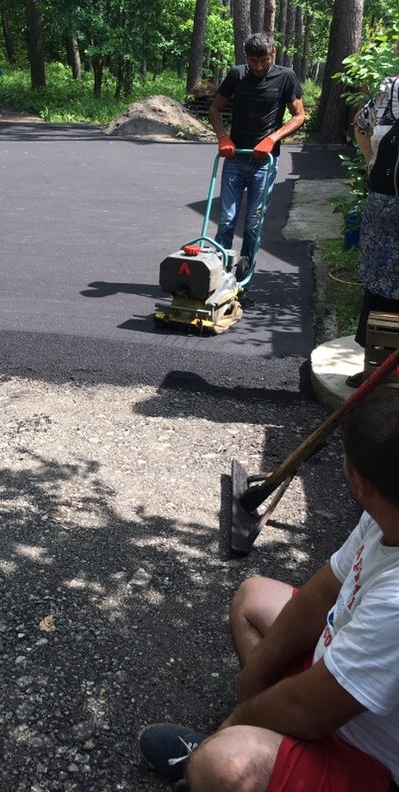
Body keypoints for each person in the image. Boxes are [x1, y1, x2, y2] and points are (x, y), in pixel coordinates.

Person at [138, 395, 399, 792]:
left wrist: (237, 721)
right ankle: (270, 742)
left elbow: (310, 710)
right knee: (253, 597)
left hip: (375, 764)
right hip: (337, 692)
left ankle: (230, 753)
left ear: (360, 484)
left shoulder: (395, 604)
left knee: (222, 766)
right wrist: (254, 683)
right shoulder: (384, 517)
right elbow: (320, 594)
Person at [208, 34, 306, 283]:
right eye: (254, 61)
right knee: (226, 222)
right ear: (246, 58)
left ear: (273, 53)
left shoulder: (286, 77)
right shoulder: (237, 75)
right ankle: (218, 277)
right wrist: (222, 137)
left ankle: (243, 280)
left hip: (264, 163)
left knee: (252, 225)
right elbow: (215, 108)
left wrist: (272, 139)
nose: (259, 66)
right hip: (236, 157)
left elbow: (298, 116)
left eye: (264, 60)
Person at [347, 75, 399, 387]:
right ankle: (376, 368)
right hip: (382, 208)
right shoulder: (387, 91)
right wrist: (370, 162)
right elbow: (361, 124)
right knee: (378, 286)